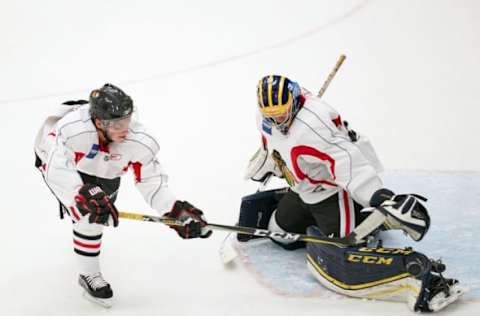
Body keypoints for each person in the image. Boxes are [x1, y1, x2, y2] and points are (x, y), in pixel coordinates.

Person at [240, 75, 464, 312]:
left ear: (294, 103)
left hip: (331, 192)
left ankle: (378, 218)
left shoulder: (315, 130)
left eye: (282, 114)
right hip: (302, 190)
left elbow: (349, 163)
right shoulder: (266, 117)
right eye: (270, 115)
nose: (276, 121)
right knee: (279, 233)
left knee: (344, 250)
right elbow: (272, 141)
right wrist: (270, 161)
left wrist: (380, 196)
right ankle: (364, 214)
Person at [34, 83, 212, 307]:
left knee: (99, 208)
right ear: (99, 122)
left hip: (106, 166)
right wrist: (78, 193)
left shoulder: (138, 140)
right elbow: (55, 167)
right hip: (59, 160)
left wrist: (174, 210)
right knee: (89, 217)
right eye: (117, 124)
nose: (125, 128)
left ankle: (88, 219)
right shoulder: (71, 131)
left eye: (127, 120)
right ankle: (88, 274)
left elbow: (151, 181)